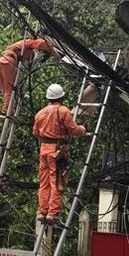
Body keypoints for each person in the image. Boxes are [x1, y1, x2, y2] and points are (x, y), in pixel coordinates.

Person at [33, 83, 86, 225]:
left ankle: (42, 211)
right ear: (61, 97)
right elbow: (73, 129)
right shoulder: (63, 111)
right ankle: (53, 213)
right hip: (57, 151)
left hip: (44, 149)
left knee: (44, 183)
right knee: (57, 182)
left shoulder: (40, 113)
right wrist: (83, 129)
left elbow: (36, 133)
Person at [0, 36, 54, 115]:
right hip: (7, 61)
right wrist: (51, 48)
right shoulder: (29, 43)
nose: (28, 59)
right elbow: (40, 43)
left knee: (5, 89)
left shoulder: (19, 49)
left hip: (0, 61)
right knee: (10, 87)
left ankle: (6, 107)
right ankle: (7, 109)